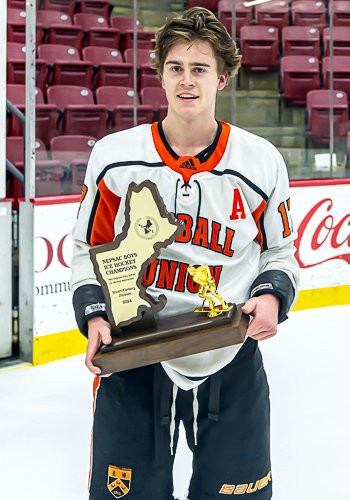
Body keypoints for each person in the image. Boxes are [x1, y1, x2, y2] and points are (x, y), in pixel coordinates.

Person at [70, 7, 299, 500]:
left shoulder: (260, 162)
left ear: (223, 77)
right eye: (175, 67)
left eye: (199, 69)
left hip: (228, 351)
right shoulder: (115, 156)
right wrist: (92, 314)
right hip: (136, 352)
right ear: (161, 74)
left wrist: (273, 296)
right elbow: (86, 247)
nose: (187, 81)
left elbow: (279, 251)